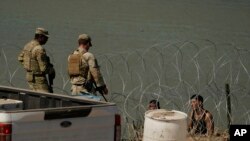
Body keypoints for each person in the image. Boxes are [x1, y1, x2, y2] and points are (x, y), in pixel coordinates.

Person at [68, 33, 108, 100]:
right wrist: (103, 87)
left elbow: (70, 73)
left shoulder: (71, 56)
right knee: (98, 105)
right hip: (85, 90)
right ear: (88, 43)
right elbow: (96, 73)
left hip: (74, 89)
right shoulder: (89, 56)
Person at [18, 27, 55, 93]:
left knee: (34, 96)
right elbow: (43, 69)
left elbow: (20, 58)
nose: (47, 40)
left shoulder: (28, 45)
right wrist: (51, 70)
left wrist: (29, 67)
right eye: (46, 38)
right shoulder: (39, 49)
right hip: (39, 79)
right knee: (45, 98)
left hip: (29, 76)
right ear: (40, 36)